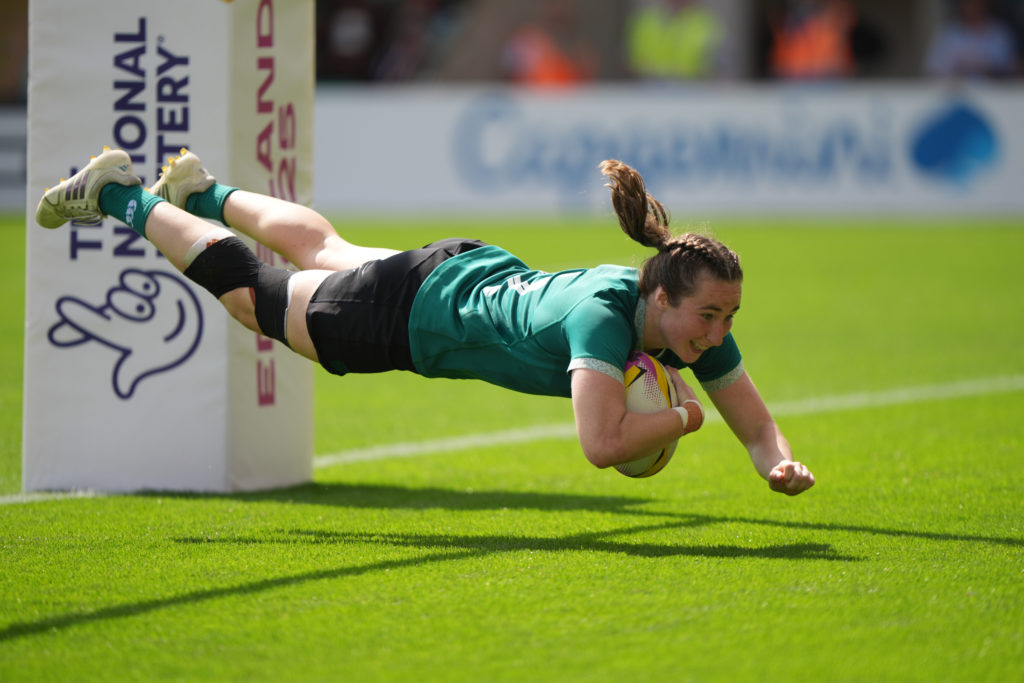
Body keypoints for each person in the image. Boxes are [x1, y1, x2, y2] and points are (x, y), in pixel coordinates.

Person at [35, 147, 815, 496]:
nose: (718, 333)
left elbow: (755, 425)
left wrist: (778, 463)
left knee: (328, 250)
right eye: (710, 314)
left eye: (728, 316)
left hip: (461, 267)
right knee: (255, 300)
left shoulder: (678, 316)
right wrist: (683, 417)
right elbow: (603, 444)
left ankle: (203, 193)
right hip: (412, 314)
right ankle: (120, 194)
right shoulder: (604, 322)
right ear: (662, 298)